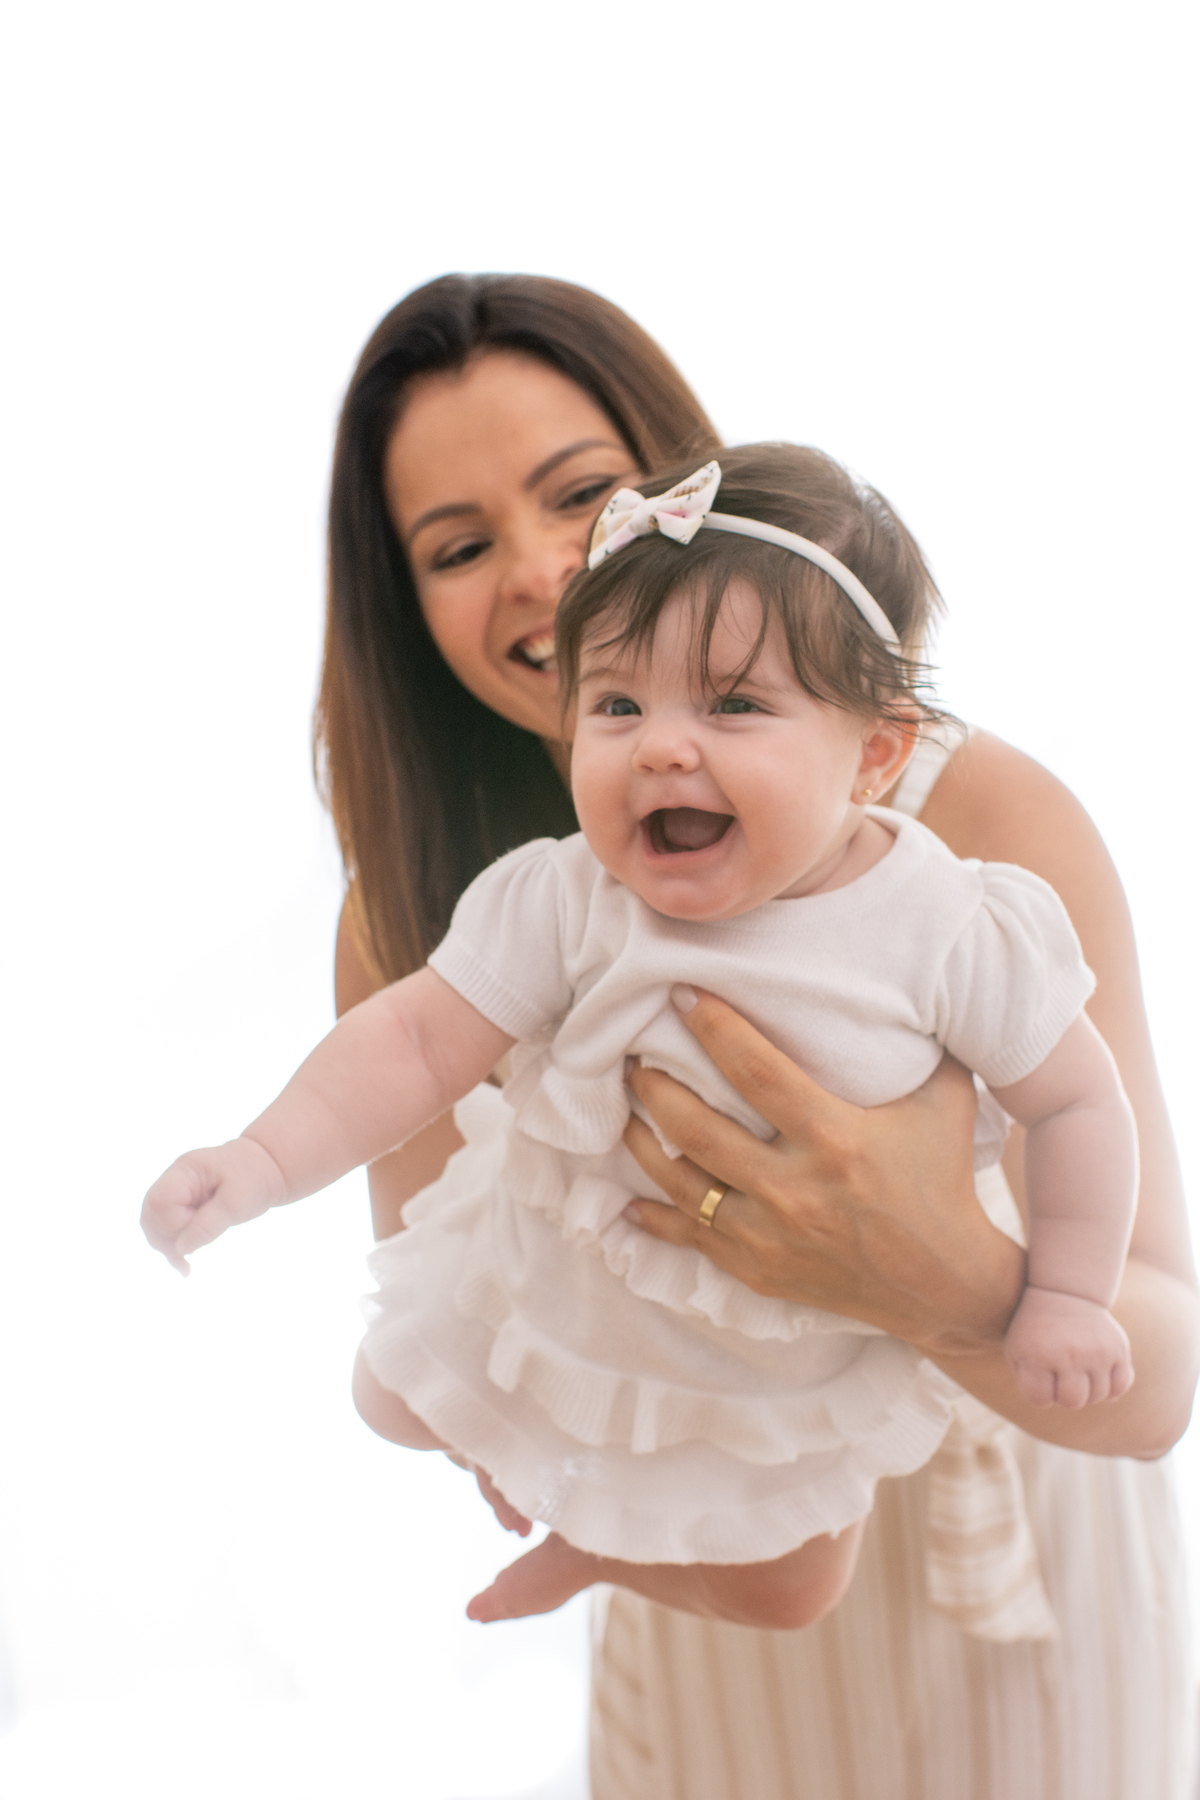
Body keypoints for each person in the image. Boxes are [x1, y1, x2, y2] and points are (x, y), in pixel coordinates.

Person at [243, 276, 1200, 1794]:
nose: (546, 575)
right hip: (706, 1574)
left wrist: (929, 1271)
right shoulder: (429, 919)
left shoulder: (974, 835)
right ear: (401, 606)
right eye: (459, 544)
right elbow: (456, 1320)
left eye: (583, 497)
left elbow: (1163, 1377)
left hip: (1017, 1566)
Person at [142, 443, 1141, 1630]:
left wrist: (1069, 1295)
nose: (662, 746)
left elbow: (1080, 1104)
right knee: (390, 1396)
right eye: (617, 704)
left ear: (876, 752)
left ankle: (609, 1554)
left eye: (733, 705)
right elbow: (410, 1041)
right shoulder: (564, 901)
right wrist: (256, 1163)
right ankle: (582, 1508)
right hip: (576, 1277)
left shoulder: (952, 926)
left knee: (791, 1584)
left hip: (786, 1353)